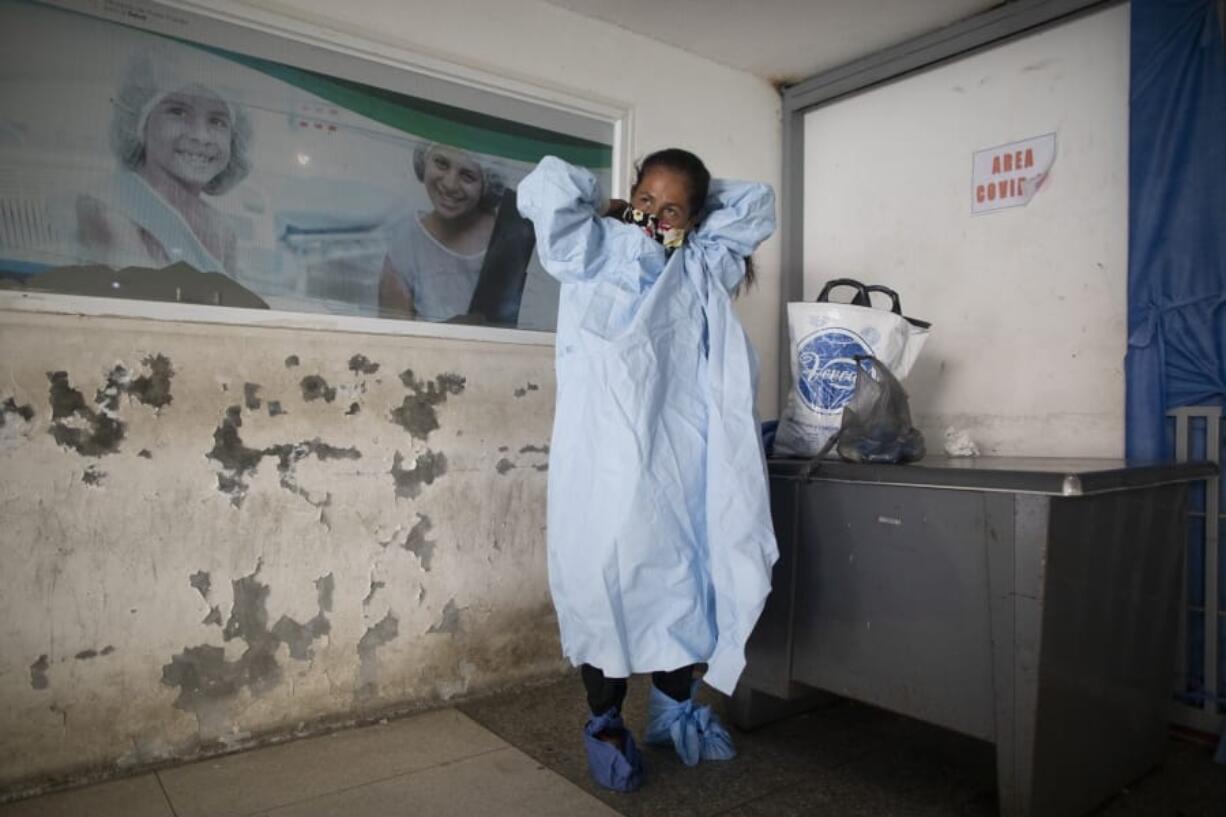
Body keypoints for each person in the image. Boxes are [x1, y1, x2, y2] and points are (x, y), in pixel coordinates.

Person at [517, 150, 778, 791]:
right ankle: (605, 723)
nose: (655, 216)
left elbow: (755, 203)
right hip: (599, 470)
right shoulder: (590, 248)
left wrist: (688, 219)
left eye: (672, 209)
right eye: (647, 200)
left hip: (676, 470)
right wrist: (613, 208)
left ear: (693, 217)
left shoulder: (699, 266)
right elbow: (548, 187)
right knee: (601, 592)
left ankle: (673, 709)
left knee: (679, 590)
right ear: (628, 193)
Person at [76, 50, 251, 275]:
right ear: (141, 123)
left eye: (217, 121)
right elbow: (144, 297)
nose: (200, 136)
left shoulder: (222, 229)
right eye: (178, 112)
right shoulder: (107, 207)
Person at [378, 142, 504, 321]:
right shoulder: (407, 240)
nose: (450, 184)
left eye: (467, 176)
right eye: (442, 164)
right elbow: (393, 336)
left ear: (487, 184)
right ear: (424, 162)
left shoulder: (510, 240)